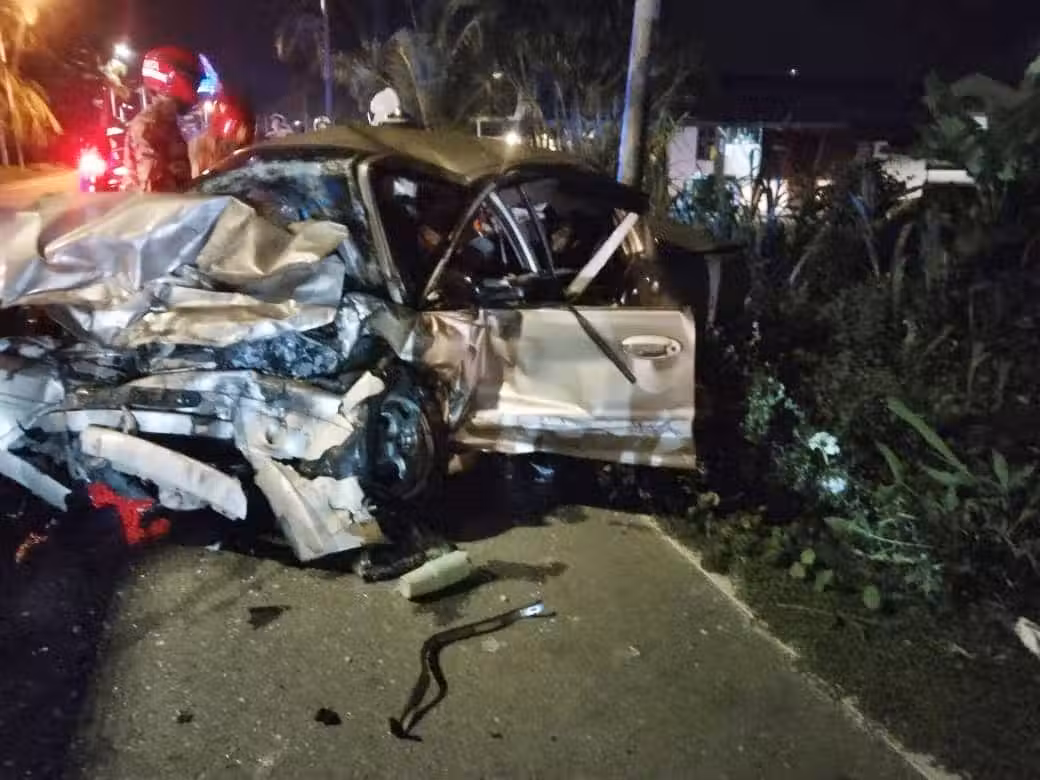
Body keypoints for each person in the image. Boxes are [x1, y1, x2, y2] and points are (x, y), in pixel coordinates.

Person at [122, 46, 202, 193]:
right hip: (162, 207)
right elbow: (153, 189)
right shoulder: (150, 125)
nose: (196, 86)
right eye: (192, 79)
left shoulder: (169, 123)